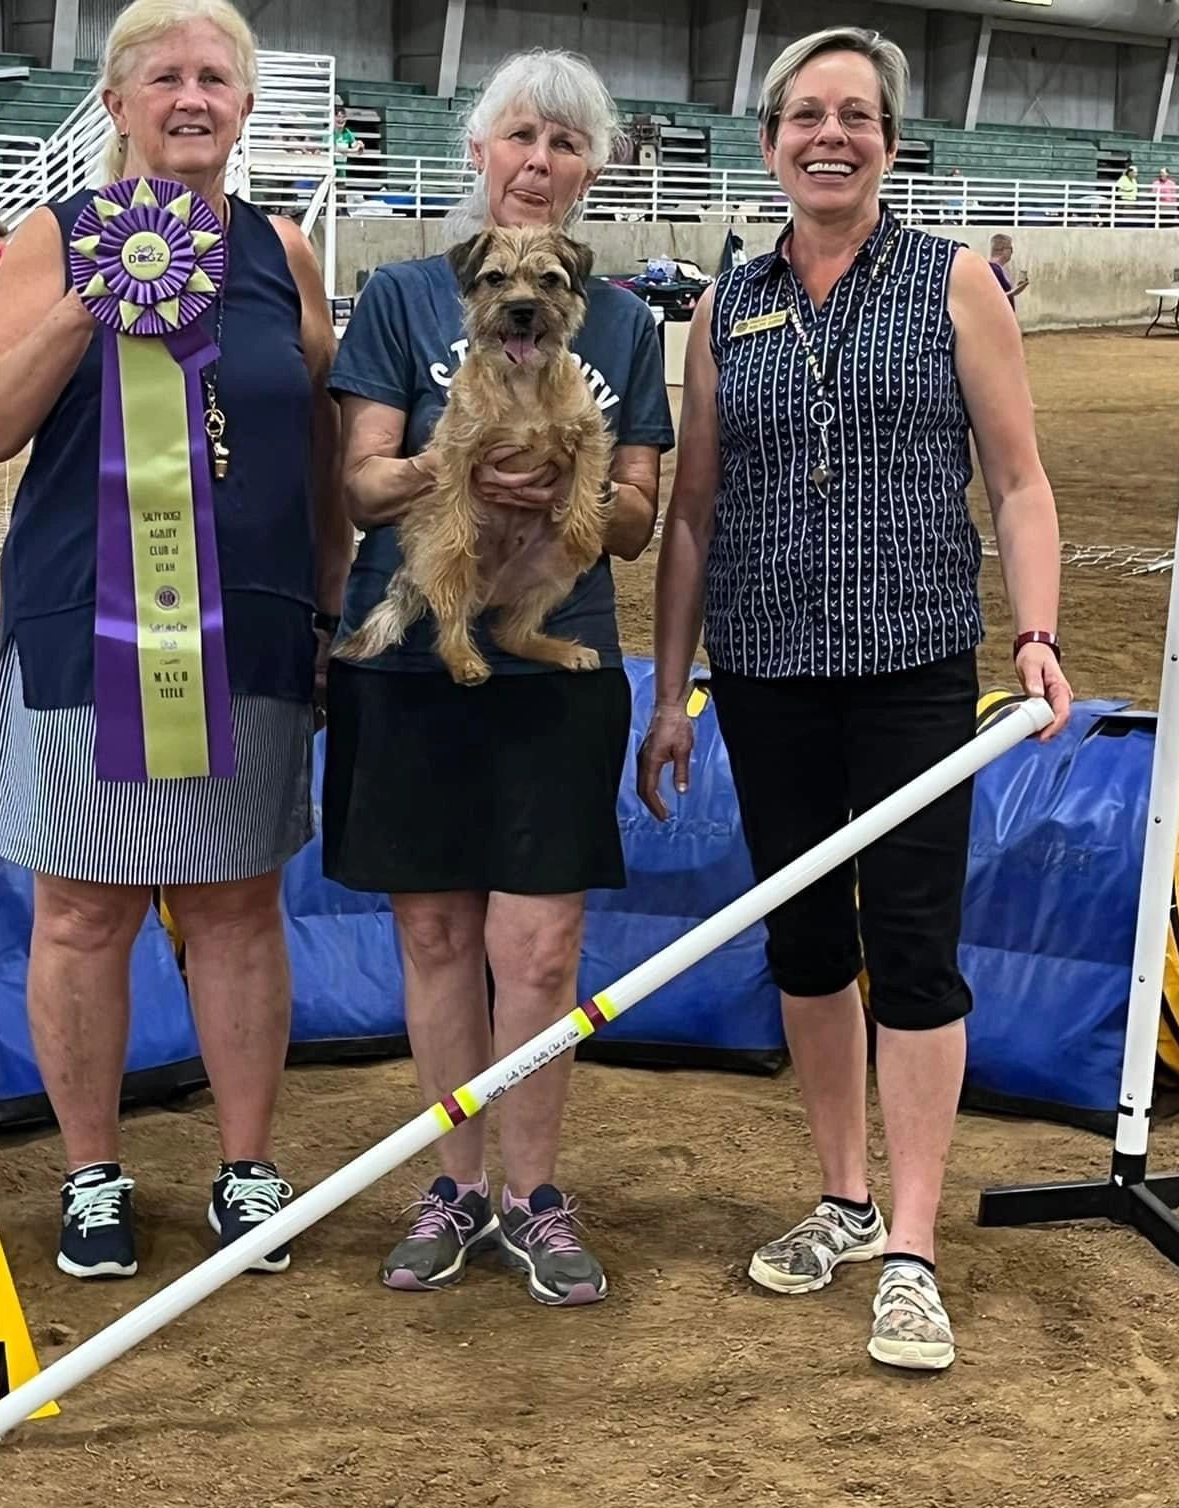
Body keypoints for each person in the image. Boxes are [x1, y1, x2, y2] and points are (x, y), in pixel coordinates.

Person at [637, 25, 1073, 1372]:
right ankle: (841, 1193)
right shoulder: (727, 306)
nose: (831, 135)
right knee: (809, 948)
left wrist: (1037, 634)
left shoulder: (955, 283)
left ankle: (914, 1248)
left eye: (856, 116)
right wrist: (671, 693)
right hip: (764, 675)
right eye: (806, 116)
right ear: (770, 144)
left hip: (913, 670)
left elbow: (1019, 480)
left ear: (889, 140)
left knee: (918, 951)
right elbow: (693, 518)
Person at [0, 0, 354, 1282]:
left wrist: (332, 598)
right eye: (164, 77)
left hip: (255, 631)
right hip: (87, 627)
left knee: (239, 907)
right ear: (118, 105)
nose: (192, 98)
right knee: (81, 911)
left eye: (216, 79)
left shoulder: (281, 251)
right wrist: (88, 304)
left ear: (243, 109)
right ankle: (90, 1176)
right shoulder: (48, 240)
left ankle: (245, 1166)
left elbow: (323, 447)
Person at [325, 46, 674, 1306]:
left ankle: (531, 1195)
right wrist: (450, 471)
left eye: (567, 145)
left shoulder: (625, 321)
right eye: (520, 138)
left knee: (537, 949)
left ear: (591, 173)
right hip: (413, 654)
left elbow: (635, 509)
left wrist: (581, 502)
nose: (540, 163)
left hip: (552, 658)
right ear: (478, 152)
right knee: (431, 933)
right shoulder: (403, 298)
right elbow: (358, 485)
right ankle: (452, 1181)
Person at [988, 232, 1028, 310]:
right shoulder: (993, 269)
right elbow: (992, 298)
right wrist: (1014, 291)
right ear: (1002, 249)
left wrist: (1016, 290)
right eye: (1010, 248)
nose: (1012, 252)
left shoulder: (998, 269)